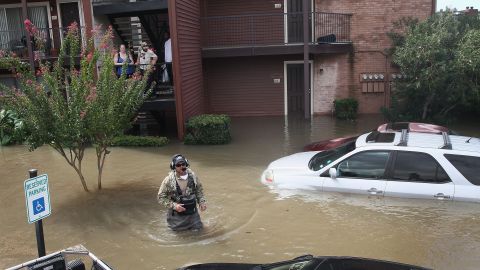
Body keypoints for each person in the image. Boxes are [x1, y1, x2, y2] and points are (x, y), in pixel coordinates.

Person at [157, 154, 207, 231]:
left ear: (186, 164)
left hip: (193, 215)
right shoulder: (168, 180)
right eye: (178, 165)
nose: (181, 166)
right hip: (177, 217)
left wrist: (202, 202)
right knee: (180, 238)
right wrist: (174, 206)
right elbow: (161, 197)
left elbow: (199, 190)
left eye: (183, 164)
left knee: (200, 232)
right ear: (174, 167)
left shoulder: (193, 177)